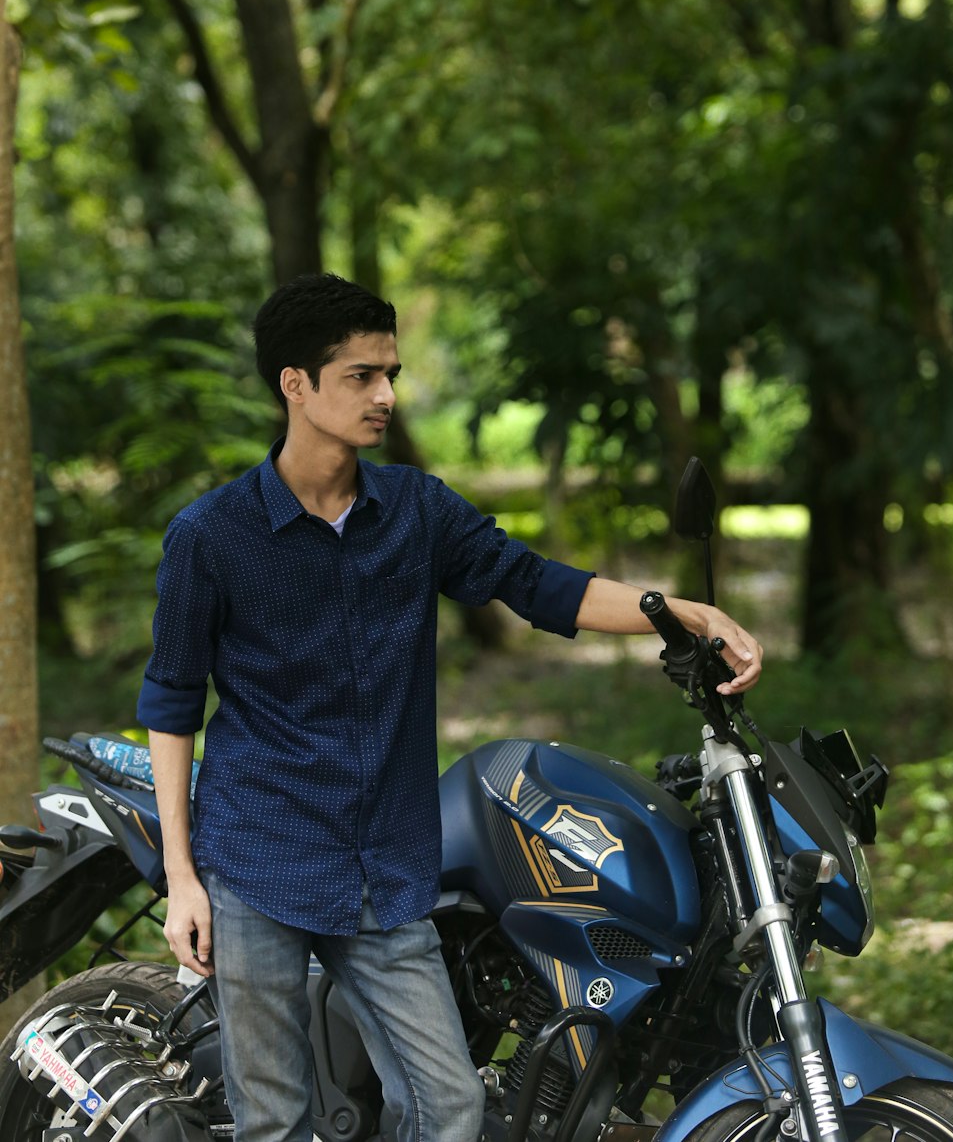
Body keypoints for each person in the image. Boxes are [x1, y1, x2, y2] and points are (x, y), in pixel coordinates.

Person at [138, 273, 763, 1142]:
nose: (386, 395)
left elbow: (538, 585)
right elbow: (170, 705)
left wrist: (675, 612)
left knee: (451, 1106)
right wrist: (182, 877)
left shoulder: (416, 512)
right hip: (259, 858)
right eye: (361, 376)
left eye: (390, 372)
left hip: (385, 870)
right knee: (274, 1121)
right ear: (295, 384)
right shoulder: (209, 536)